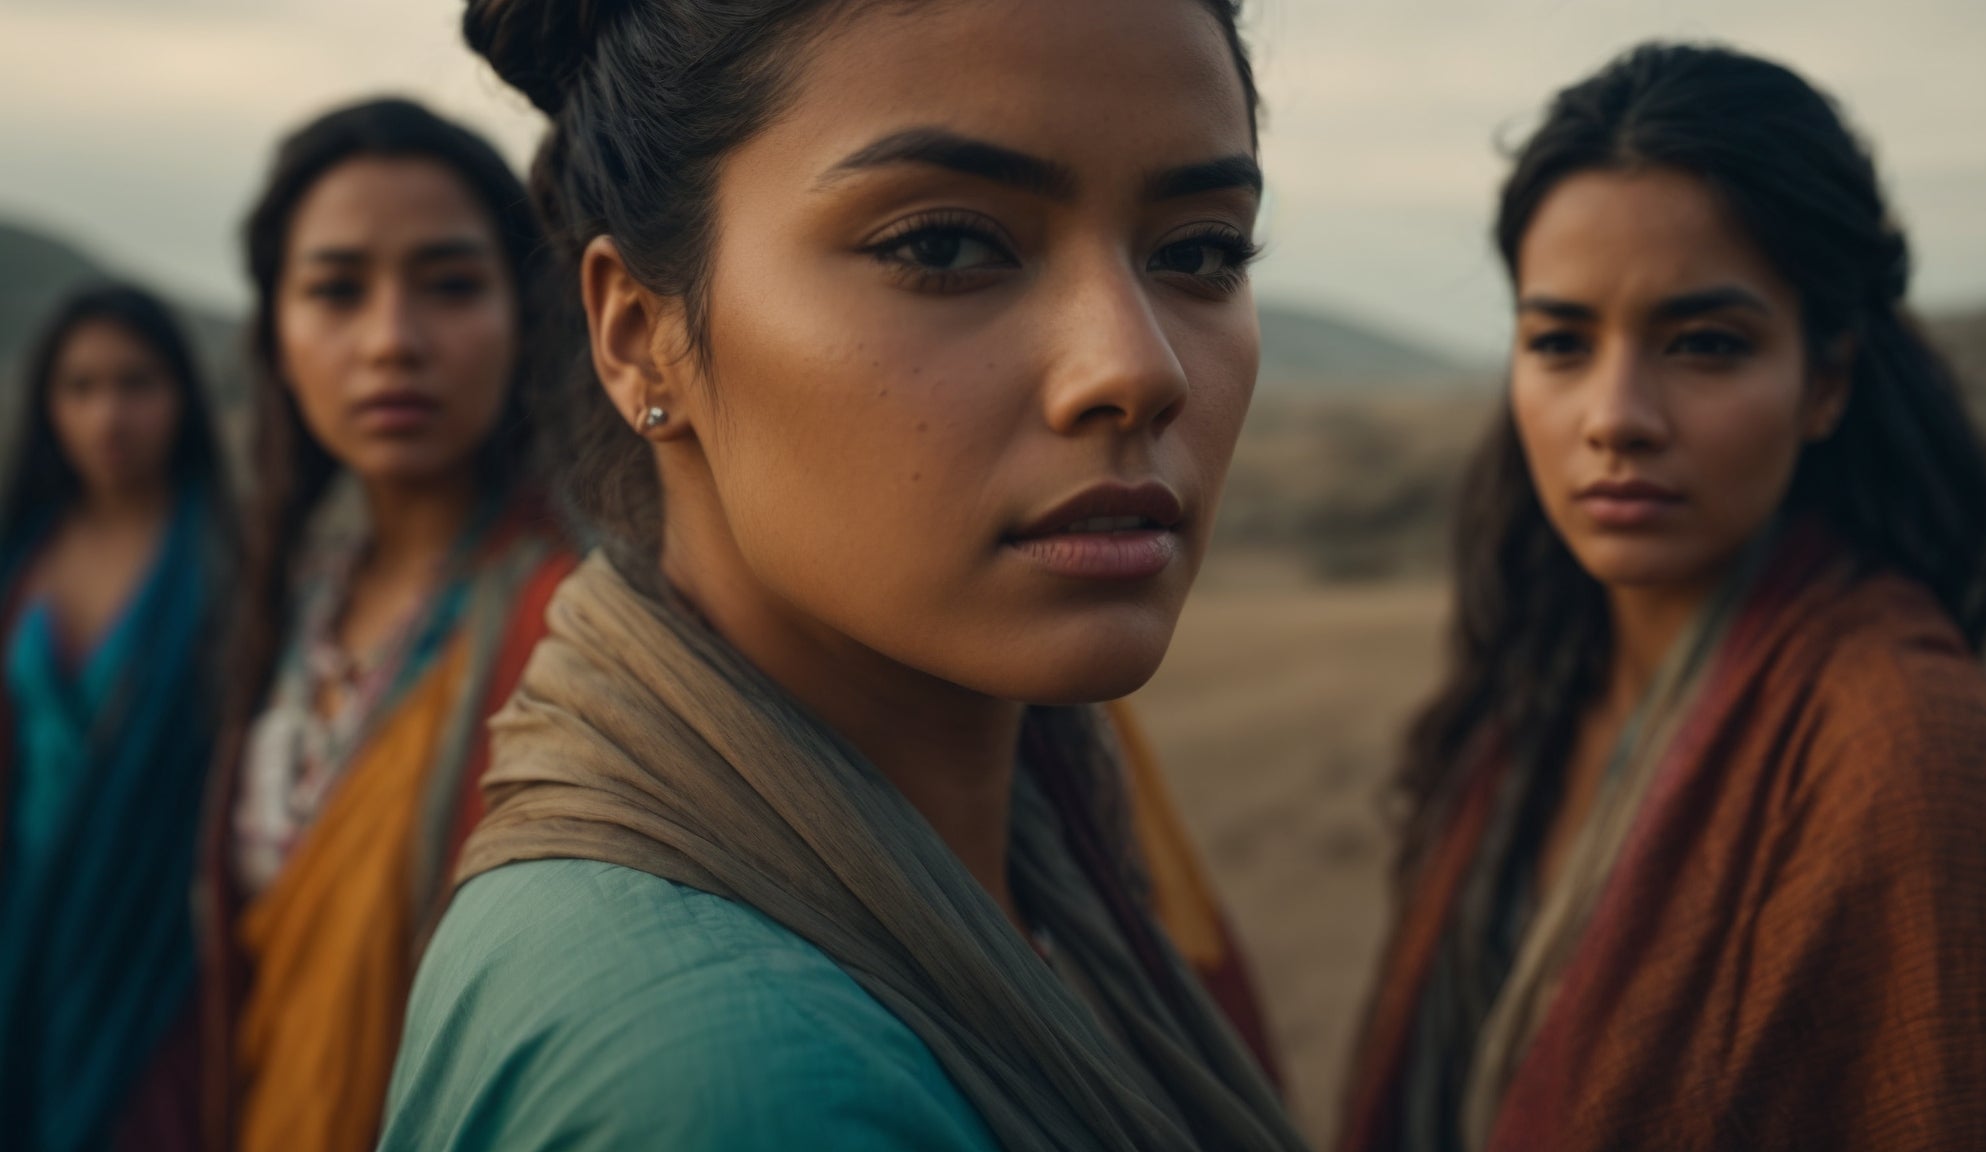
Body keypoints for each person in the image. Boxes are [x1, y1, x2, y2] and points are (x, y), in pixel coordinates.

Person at [381, 0, 1305, 1149]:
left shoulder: (1033, 856)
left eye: (1198, 251)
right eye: (943, 245)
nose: (1133, 369)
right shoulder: (726, 1094)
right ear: (636, 332)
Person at [1340, 42, 1986, 1152]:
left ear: (1824, 381)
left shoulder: (1914, 760)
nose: (1614, 414)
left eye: (1704, 344)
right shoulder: (1525, 704)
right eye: (1559, 341)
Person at [196, 99, 577, 1152]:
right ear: (275, 327)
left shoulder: (574, 625)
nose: (392, 341)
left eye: (450, 285)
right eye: (336, 289)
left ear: (525, 310)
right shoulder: (285, 597)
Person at [0, 284, 234, 1152]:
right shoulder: (24, 552)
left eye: (136, 383)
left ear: (181, 395)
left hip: (152, 950)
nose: (109, 415)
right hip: (23, 914)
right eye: (81, 386)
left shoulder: (229, 567)